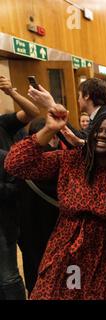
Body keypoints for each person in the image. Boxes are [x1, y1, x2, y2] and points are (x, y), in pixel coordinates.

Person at [5, 101, 106, 299]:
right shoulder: (71, 160)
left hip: (103, 258)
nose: (102, 135)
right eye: (98, 130)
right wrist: (49, 129)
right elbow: (15, 164)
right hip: (63, 251)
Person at [0, 75, 40, 300]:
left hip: (11, 207)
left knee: (8, 275)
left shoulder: (3, 123)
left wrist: (12, 93)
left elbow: (33, 112)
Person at [16, 118, 61, 295]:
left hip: (29, 238)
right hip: (59, 238)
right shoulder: (60, 162)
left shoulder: (20, 165)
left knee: (35, 284)